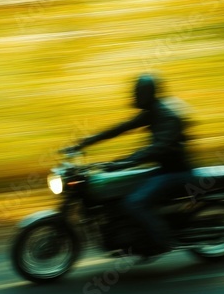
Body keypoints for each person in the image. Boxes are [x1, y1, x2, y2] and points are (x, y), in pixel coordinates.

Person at [63, 73, 193, 256]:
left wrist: (123, 163)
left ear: (147, 93)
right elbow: (120, 128)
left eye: (137, 92)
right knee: (121, 191)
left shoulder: (166, 116)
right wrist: (82, 143)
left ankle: (162, 242)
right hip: (162, 169)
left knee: (134, 203)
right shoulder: (153, 111)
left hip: (175, 172)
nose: (134, 96)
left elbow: (158, 148)